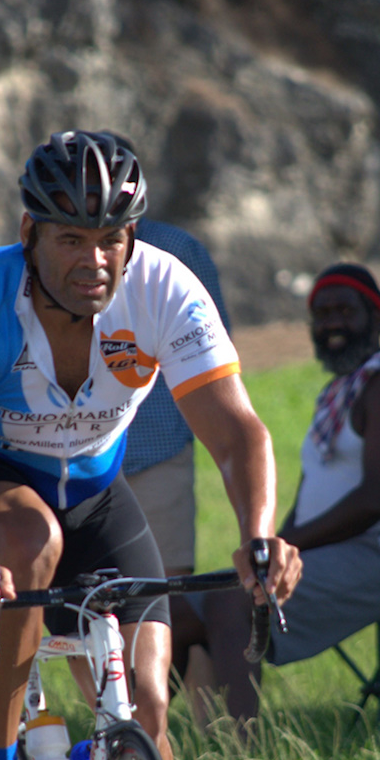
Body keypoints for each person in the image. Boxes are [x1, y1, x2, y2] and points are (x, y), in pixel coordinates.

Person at [0, 130, 301, 760]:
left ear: (132, 237)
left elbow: (238, 430)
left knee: (146, 710)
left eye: (112, 237)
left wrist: (257, 535)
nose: (95, 260)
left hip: (99, 499)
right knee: (28, 538)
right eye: (71, 238)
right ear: (29, 234)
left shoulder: (164, 289)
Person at [170, 262, 380, 728]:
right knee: (178, 606)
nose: (332, 323)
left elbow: (377, 498)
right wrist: (279, 545)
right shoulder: (340, 393)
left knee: (235, 600)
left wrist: (287, 545)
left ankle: (241, 754)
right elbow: (313, 501)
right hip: (337, 551)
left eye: (345, 310)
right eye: (321, 313)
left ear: (376, 317)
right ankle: (136, 734)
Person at [124, 219, 231, 580]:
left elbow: (212, 352)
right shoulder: (44, 247)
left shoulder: (175, 247)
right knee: (74, 618)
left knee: (167, 603)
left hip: (155, 453)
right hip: (69, 462)